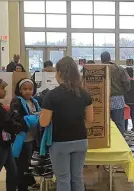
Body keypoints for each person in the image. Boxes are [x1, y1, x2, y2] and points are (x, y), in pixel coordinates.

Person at [39, 56, 93, 191]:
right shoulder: (85, 94)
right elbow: (90, 120)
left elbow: (44, 122)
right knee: (78, 177)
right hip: (81, 140)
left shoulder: (51, 96)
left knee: (63, 179)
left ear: (60, 73)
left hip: (60, 142)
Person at [9, 78, 40, 191]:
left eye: (30, 89)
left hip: (32, 138)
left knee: (29, 163)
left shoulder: (34, 101)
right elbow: (14, 118)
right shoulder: (16, 101)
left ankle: (27, 182)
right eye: (25, 89)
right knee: (21, 164)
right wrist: (31, 118)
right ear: (20, 90)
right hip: (21, 139)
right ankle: (21, 187)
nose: (28, 91)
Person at [101, 51, 130, 135]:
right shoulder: (119, 68)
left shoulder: (99, 69)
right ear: (110, 58)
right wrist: (123, 91)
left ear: (101, 59)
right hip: (118, 99)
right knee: (119, 123)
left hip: (103, 100)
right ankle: (121, 143)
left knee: (105, 123)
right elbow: (127, 82)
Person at [124, 67, 134, 132]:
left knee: (126, 115)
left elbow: (124, 92)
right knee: (133, 114)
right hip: (133, 101)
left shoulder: (126, 83)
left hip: (126, 102)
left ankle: (125, 128)